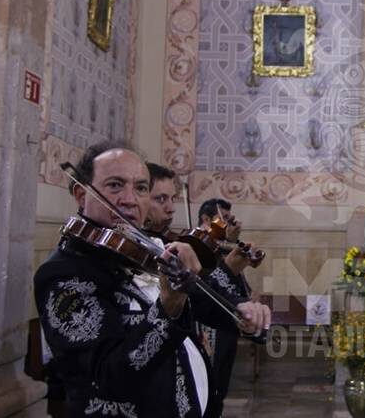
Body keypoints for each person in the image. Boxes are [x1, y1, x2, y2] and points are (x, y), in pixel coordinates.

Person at [34, 141, 271, 417]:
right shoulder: (64, 275)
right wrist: (168, 307)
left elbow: (199, 298)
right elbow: (113, 378)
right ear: (81, 194)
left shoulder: (146, 249)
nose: (130, 199)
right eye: (114, 185)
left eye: (141, 188)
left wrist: (238, 310)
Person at [196, 198, 255, 415]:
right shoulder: (197, 243)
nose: (228, 224)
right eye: (224, 219)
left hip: (226, 324)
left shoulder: (220, 243)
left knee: (220, 386)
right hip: (207, 324)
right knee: (206, 384)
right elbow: (208, 281)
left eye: (230, 219)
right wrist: (226, 242)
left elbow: (233, 281)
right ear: (205, 219)